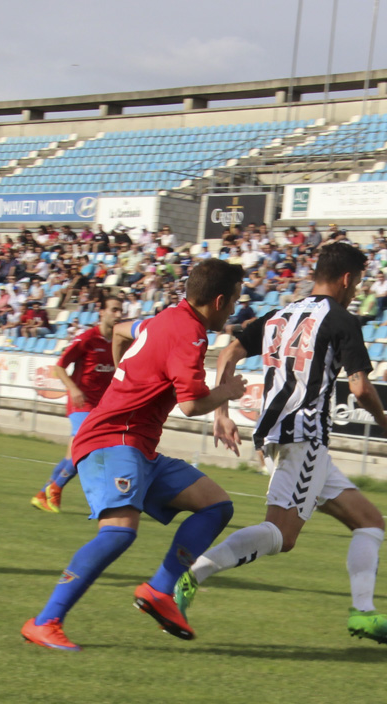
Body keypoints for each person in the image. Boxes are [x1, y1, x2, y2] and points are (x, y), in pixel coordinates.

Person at [177, 241, 387, 646]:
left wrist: (222, 413)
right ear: (347, 278)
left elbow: (229, 352)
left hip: (279, 435)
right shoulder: (342, 320)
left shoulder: (281, 313)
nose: (356, 291)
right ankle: (190, 574)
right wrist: (384, 419)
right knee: (282, 535)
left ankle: (364, 613)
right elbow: (360, 387)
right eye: (357, 283)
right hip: (303, 436)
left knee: (369, 522)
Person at [20, 259, 248, 651]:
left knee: (216, 505)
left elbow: (123, 331)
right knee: (119, 532)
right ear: (219, 300)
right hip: (113, 439)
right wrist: (228, 393)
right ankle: (45, 621)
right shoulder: (190, 334)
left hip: (137, 445)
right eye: (233, 305)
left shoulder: (162, 319)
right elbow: (191, 405)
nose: (232, 314)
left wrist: (122, 374)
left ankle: (160, 590)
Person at [31, 296, 123, 514]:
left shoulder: (120, 342)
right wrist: (73, 389)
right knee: (86, 449)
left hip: (101, 407)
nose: (119, 315)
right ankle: (55, 488)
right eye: (115, 310)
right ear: (102, 312)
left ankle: (42, 494)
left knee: (71, 455)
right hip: (81, 403)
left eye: (121, 311)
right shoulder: (87, 338)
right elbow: (60, 366)